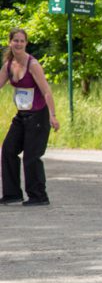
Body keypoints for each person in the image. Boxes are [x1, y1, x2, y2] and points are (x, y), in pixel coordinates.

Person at [0, 27, 59, 206]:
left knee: (31, 156)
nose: (18, 44)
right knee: (8, 150)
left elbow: (47, 92)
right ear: (10, 42)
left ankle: (39, 196)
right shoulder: (9, 65)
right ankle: (12, 194)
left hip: (38, 115)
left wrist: (53, 116)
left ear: (26, 43)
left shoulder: (32, 65)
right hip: (22, 115)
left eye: (22, 41)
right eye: (15, 40)